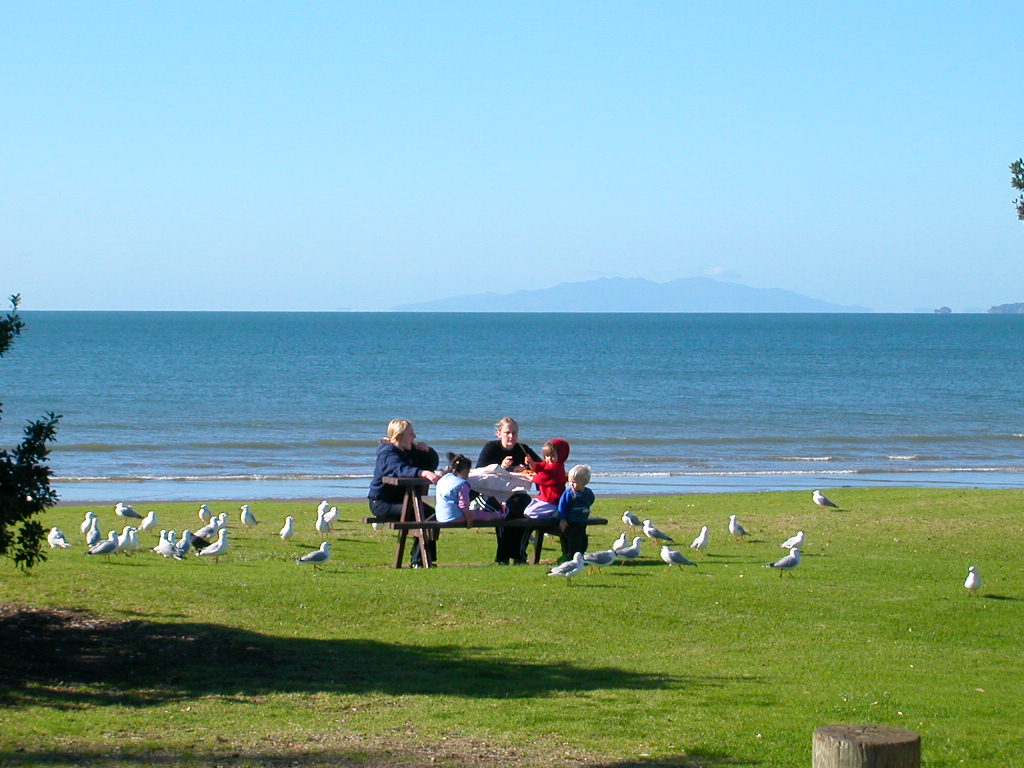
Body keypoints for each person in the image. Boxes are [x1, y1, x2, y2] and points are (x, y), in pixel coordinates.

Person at [367, 418, 442, 568]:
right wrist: (422, 473)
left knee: (432, 515)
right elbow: (400, 470)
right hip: (382, 504)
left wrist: (428, 451)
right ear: (399, 436)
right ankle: (420, 561)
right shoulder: (387, 453)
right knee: (424, 515)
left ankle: (424, 560)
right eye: (410, 434)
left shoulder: (409, 450)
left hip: (404, 501)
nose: (414, 437)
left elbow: (431, 464)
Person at [476, 417, 540, 565]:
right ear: (499, 433)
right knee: (504, 511)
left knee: (524, 506)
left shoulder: (523, 449)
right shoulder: (491, 447)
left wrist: (528, 468)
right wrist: (501, 467)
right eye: (507, 433)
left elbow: (540, 466)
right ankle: (505, 556)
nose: (511, 437)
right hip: (491, 493)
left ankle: (517, 555)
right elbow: (479, 472)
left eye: (514, 433)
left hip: (515, 492)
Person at [522, 439, 570, 519]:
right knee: (527, 511)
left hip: (552, 499)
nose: (549, 459)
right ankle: (550, 516)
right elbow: (540, 466)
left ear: (560, 455)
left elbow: (543, 477)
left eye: (553, 456)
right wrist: (531, 463)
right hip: (544, 496)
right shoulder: (548, 464)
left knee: (530, 513)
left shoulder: (556, 467)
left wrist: (532, 477)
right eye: (547, 456)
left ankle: (554, 515)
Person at [557, 464, 595, 562]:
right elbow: (562, 506)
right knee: (572, 540)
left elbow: (591, 500)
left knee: (582, 539)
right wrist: (563, 519)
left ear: (584, 482)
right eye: (570, 482)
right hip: (571, 522)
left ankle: (580, 555)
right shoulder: (569, 493)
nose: (571, 484)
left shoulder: (588, 493)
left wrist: (584, 509)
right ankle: (570, 556)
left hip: (582, 521)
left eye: (575, 482)